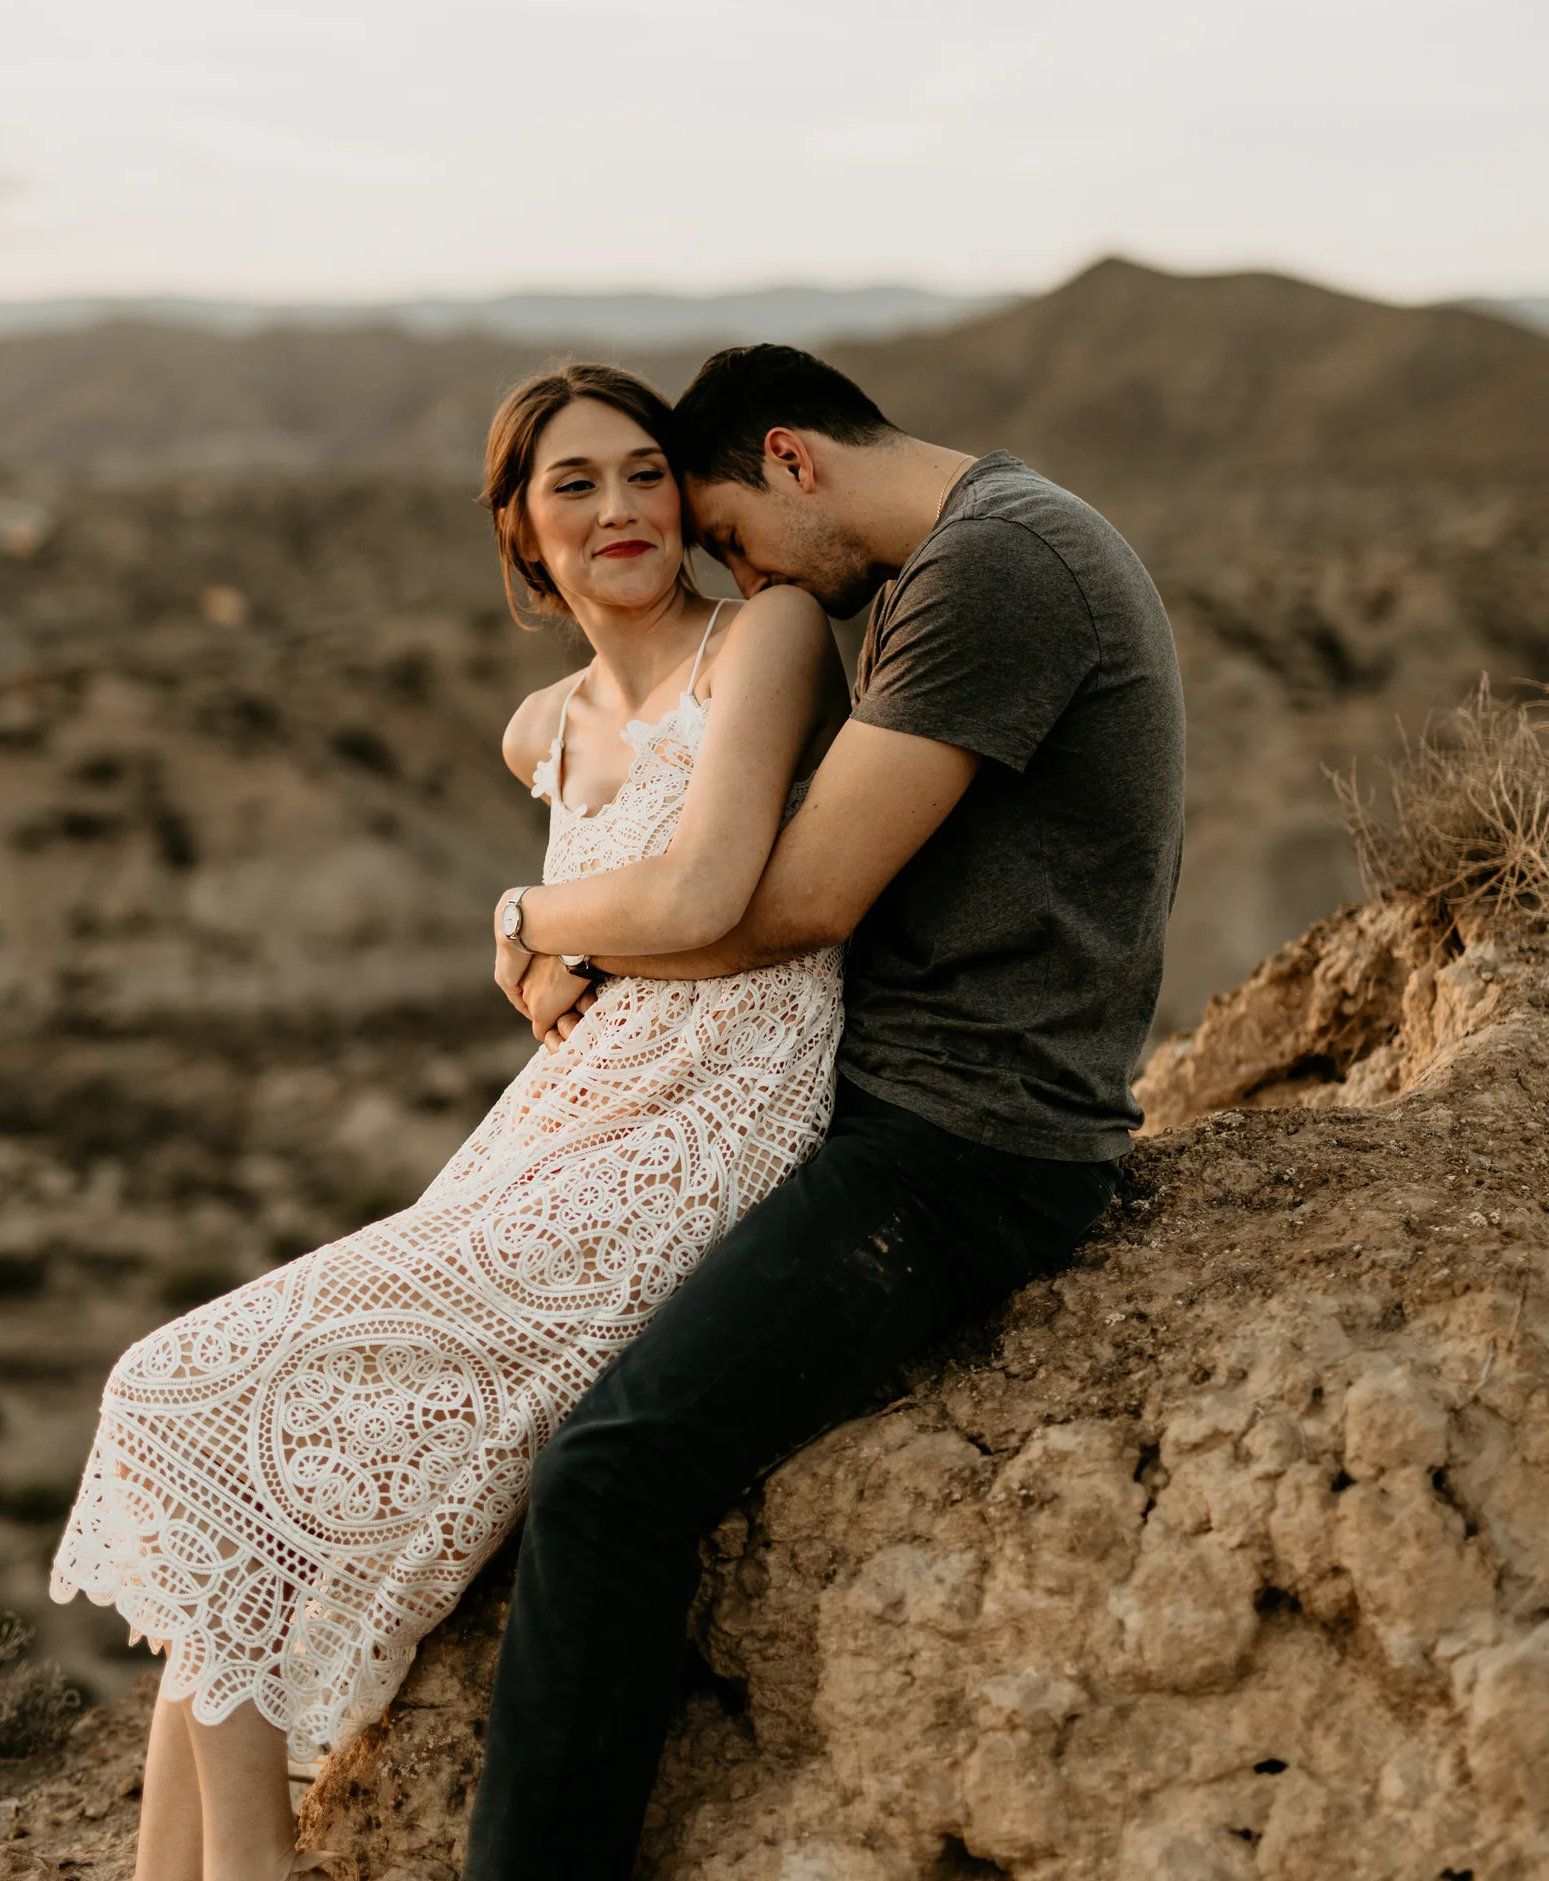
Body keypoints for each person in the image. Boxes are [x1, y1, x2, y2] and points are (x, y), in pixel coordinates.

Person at [50, 361, 849, 1881]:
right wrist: (567, 946)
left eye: (642, 473)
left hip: (719, 1119)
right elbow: (613, 952)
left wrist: (530, 910)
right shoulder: (537, 730)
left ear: (686, 495)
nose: (619, 508)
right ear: (518, 531)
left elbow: (704, 892)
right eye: (573, 484)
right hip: (568, 1114)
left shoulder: (769, 637)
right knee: (224, 1476)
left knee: (172, 1394)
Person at [471, 343, 1186, 1881]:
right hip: (909, 1108)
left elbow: (793, 902)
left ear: (794, 462)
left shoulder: (995, 570)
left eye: (725, 533)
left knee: (609, 1471)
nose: (738, 576)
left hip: (961, 1145)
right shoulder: (982, 544)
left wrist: (550, 923)